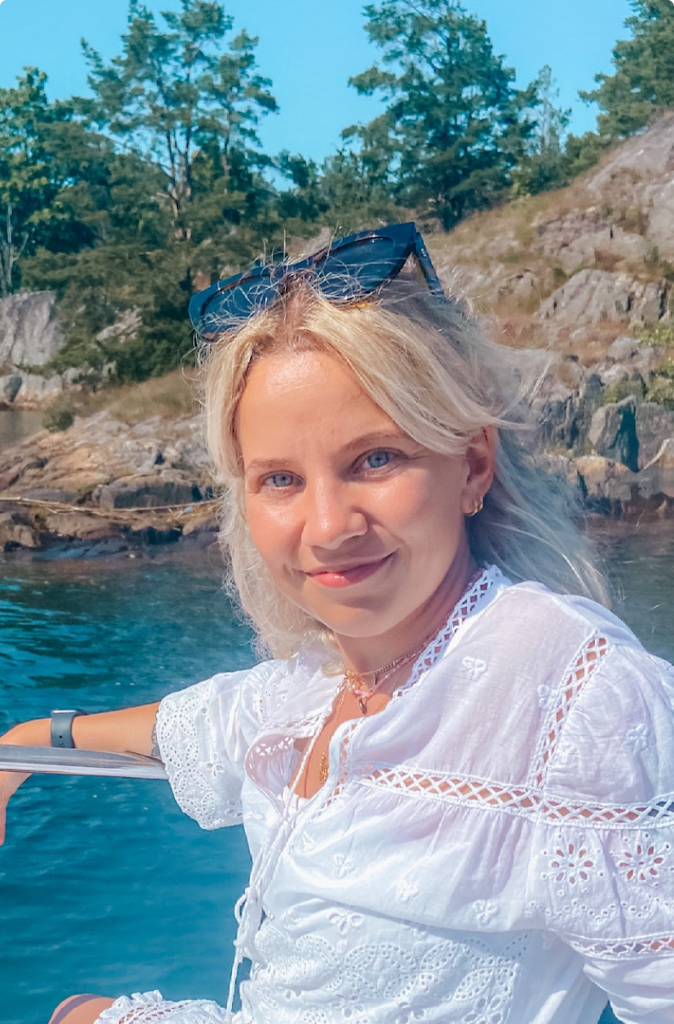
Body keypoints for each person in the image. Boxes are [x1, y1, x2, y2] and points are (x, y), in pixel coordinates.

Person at [1, 223, 674, 1024]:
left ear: (473, 465)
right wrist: (29, 742)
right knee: (77, 1011)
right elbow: (196, 723)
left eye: (375, 459)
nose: (326, 528)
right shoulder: (315, 687)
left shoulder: (573, 692)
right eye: (280, 479)